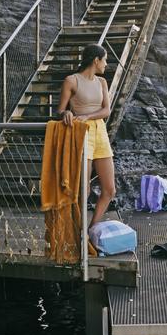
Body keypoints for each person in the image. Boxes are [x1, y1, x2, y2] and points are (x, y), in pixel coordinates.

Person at [57, 43, 115, 227]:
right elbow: (61, 110)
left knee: (110, 189)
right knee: (84, 188)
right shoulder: (72, 80)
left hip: (100, 132)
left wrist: (88, 115)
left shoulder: (102, 82)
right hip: (82, 133)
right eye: (105, 60)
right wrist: (66, 113)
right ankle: (78, 231)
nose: (106, 64)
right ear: (96, 60)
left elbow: (106, 111)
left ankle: (91, 230)